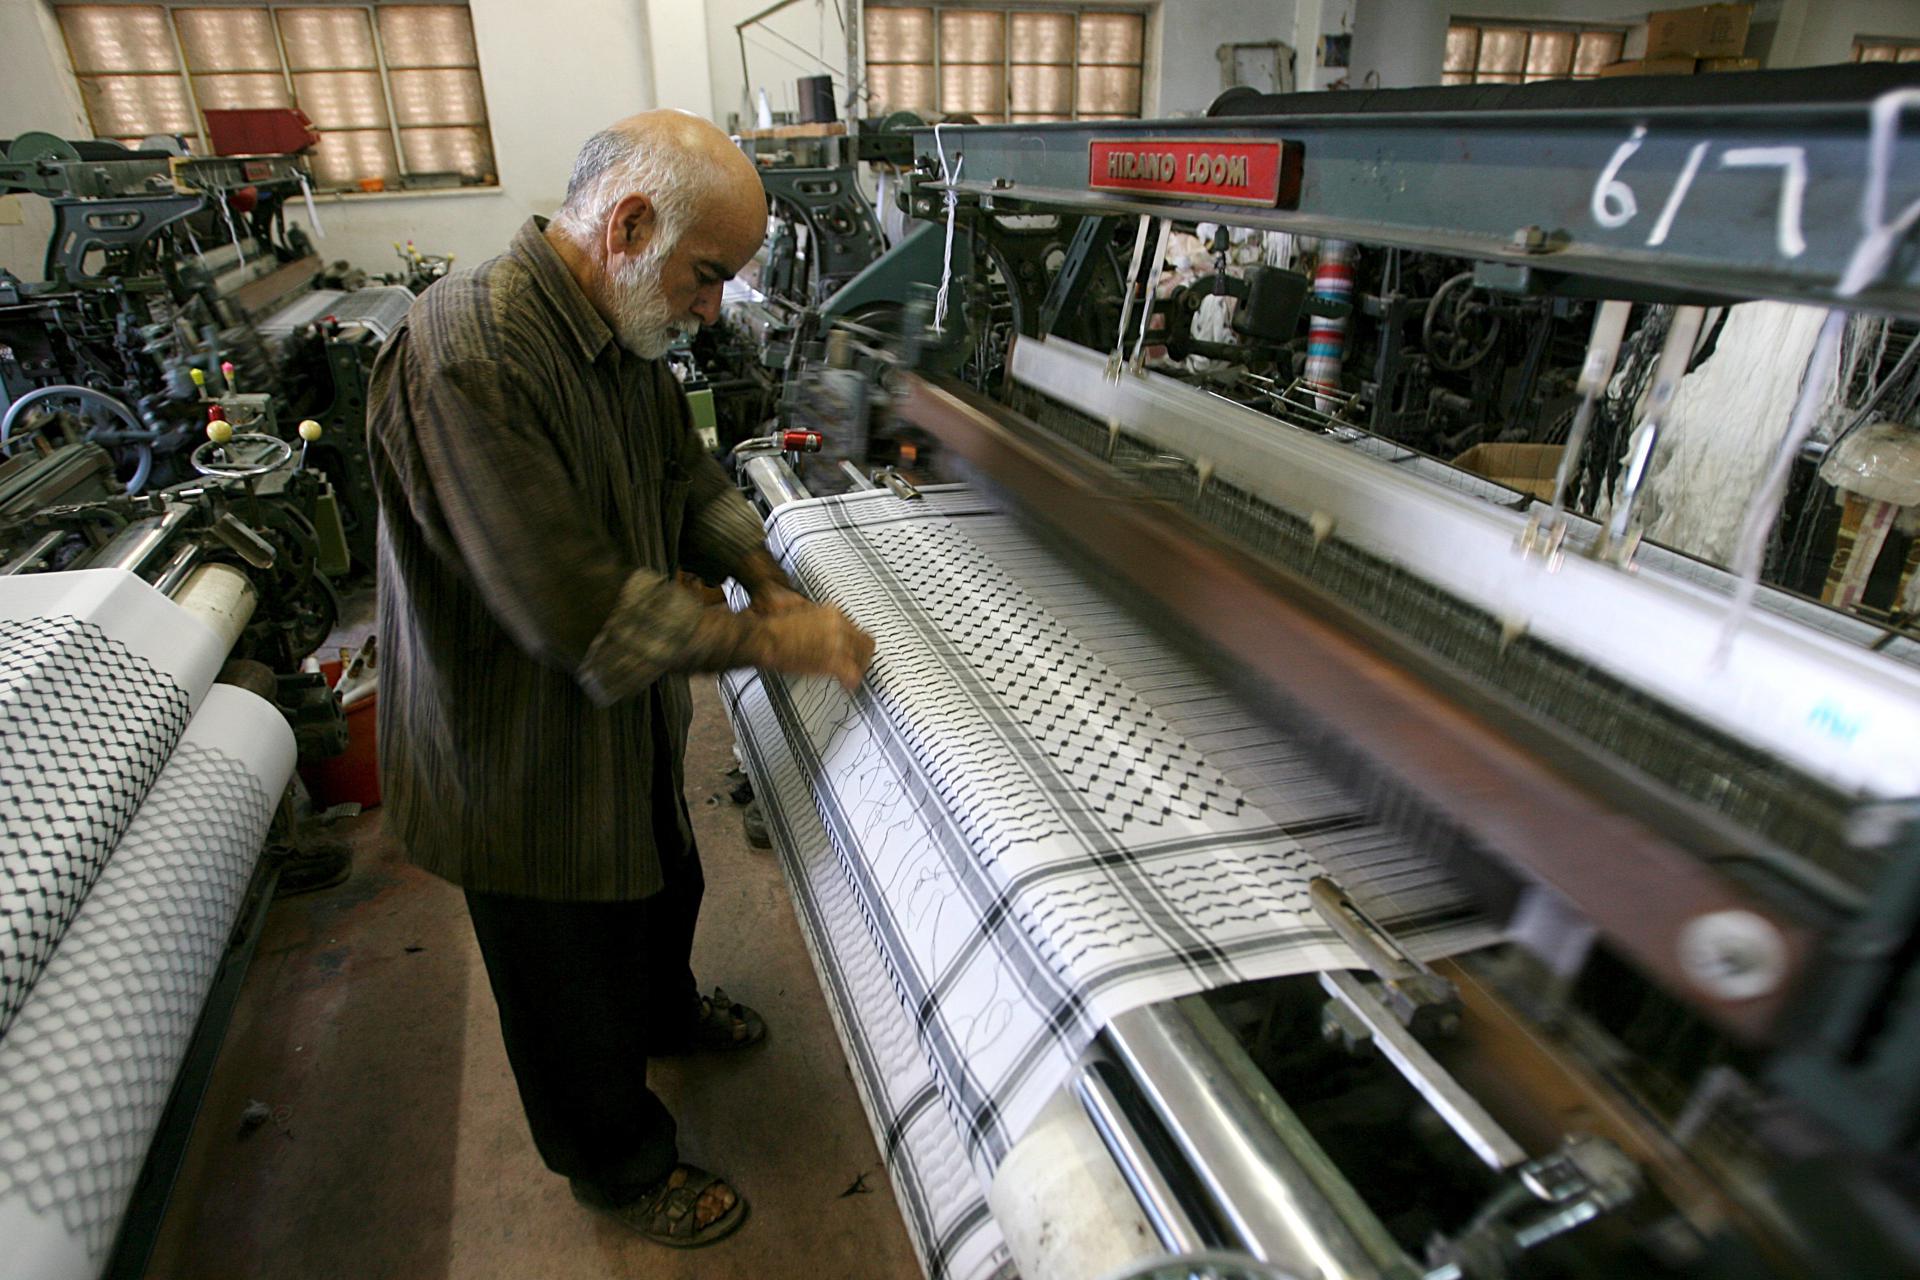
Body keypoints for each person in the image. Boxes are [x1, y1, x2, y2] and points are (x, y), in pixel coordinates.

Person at [365, 110, 874, 1248]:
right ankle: (616, 1159)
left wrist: (757, 569)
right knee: (563, 980)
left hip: (623, 707)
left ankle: (666, 1011)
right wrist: (767, 641)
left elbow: (678, 469)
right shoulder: (468, 353)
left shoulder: (617, 332)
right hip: (515, 743)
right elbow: (571, 607)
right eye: (706, 277)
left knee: (656, 879)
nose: (709, 307)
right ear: (629, 222)